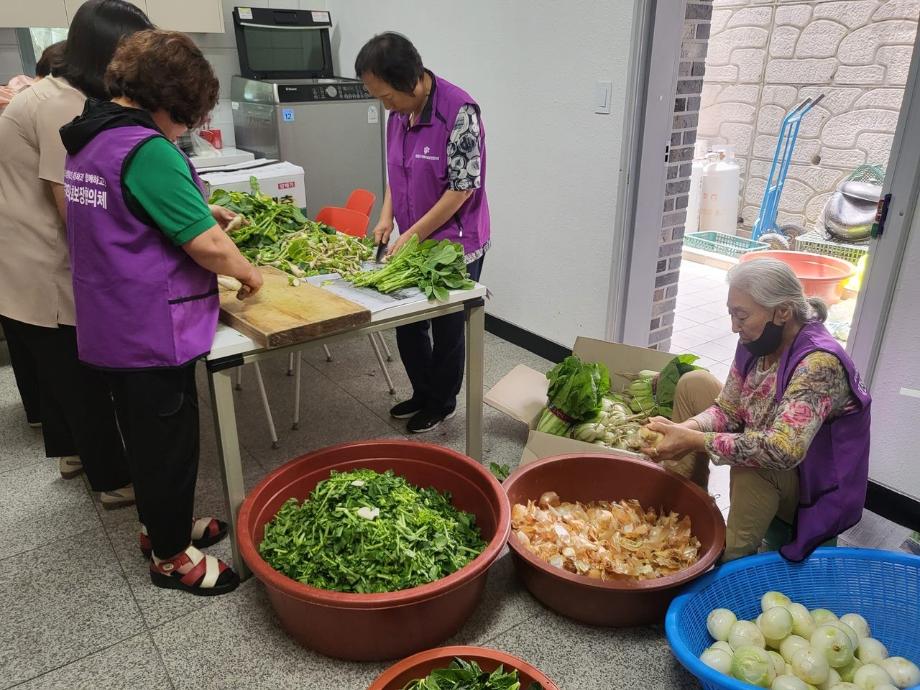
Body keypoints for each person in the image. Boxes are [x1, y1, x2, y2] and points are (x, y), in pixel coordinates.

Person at [61, 29, 262, 595]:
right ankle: (173, 558)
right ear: (171, 101)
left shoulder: (91, 137)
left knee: (145, 439)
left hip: (113, 319)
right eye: (187, 118)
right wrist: (249, 271)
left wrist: (196, 206)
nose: (186, 129)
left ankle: (161, 526)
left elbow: (133, 209)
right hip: (153, 326)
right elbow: (209, 248)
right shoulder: (145, 147)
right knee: (169, 443)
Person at [0, 0, 151, 509]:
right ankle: (112, 479)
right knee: (78, 375)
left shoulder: (50, 91)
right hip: (42, 262)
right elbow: (74, 205)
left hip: (22, 259)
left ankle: (73, 454)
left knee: (57, 370)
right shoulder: (61, 105)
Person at [643, 259, 871, 562]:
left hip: (812, 483)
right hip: (769, 443)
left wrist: (694, 441)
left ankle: (731, 558)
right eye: (732, 314)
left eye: (742, 315)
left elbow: (783, 449)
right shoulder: (757, 341)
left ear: (783, 312)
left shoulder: (818, 364)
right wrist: (685, 429)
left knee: (755, 463)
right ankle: (682, 517)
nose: (734, 326)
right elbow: (727, 410)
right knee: (694, 383)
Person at [356, 33, 490, 434]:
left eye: (387, 96)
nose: (385, 105)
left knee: (448, 326)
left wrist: (411, 234)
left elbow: (462, 189)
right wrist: (385, 218)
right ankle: (422, 391)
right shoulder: (399, 112)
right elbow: (398, 173)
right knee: (408, 321)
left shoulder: (458, 112)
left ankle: (442, 402)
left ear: (412, 80)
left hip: (455, 245)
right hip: (413, 237)